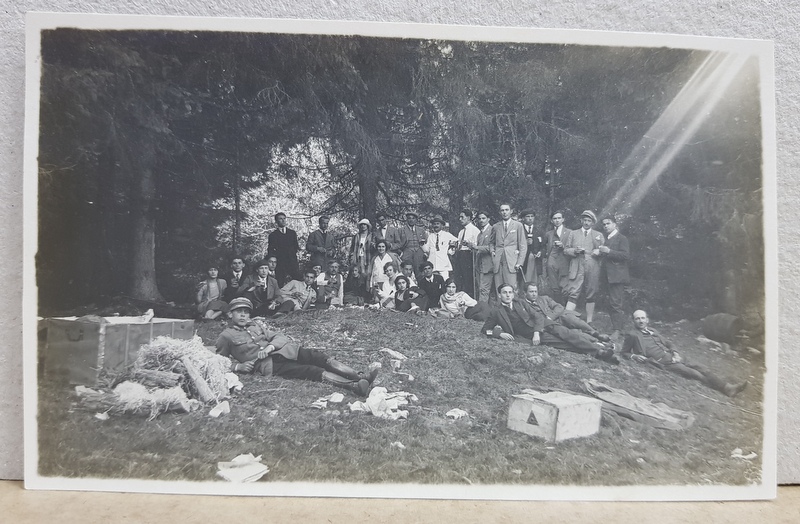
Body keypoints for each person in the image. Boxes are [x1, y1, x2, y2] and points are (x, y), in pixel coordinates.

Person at [216, 297, 380, 396]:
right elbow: (218, 361)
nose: (243, 315)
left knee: (319, 357)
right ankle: (354, 387)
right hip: (270, 364)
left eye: (246, 311)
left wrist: (270, 347)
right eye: (239, 312)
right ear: (230, 314)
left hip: (285, 350)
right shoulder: (226, 336)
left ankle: (360, 377)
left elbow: (279, 336)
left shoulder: (256, 326)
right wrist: (238, 366)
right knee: (310, 371)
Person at [481, 284, 617, 363]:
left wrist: (536, 332)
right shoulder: (496, 312)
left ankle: (598, 351)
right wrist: (499, 334)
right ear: (499, 295)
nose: (508, 295)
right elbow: (484, 330)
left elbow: (537, 316)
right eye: (504, 293)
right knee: (561, 344)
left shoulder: (520, 302)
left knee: (567, 333)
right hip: (526, 333)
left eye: (510, 292)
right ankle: (598, 353)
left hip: (542, 325)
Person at [622, 310, 748, 397]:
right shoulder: (632, 335)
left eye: (642, 318)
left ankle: (727, 387)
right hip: (664, 363)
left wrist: (675, 353)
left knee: (702, 367)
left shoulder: (653, 331)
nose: (640, 320)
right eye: (637, 318)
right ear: (633, 321)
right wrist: (634, 356)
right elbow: (624, 352)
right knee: (695, 373)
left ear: (647, 320)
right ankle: (726, 389)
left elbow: (668, 343)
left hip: (675, 357)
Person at [563, 210, 604, 324]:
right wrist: (574, 251)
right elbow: (566, 250)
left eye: (589, 221)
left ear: (592, 223)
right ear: (581, 221)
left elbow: (603, 251)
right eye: (584, 220)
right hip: (576, 265)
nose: (586, 223)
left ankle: (589, 321)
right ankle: (567, 319)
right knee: (573, 291)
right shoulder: (573, 233)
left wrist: (598, 252)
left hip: (592, 266)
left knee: (591, 291)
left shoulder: (598, 235)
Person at [598, 215, 631, 338]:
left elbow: (625, 256)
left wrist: (609, 251)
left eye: (608, 223)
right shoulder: (607, 239)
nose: (606, 226)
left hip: (617, 276)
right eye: (604, 224)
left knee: (616, 303)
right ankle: (616, 327)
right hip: (608, 276)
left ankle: (617, 330)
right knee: (611, 302)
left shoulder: (621, 238)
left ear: (615, 224)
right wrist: (600, 253)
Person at [490, 203, 527, 295]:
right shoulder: (496, 226)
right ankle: (500, 308)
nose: (504, 212)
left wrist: (519, 262)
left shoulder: (518, 225)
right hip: (498, 261)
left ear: (511, 211)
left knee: (511, 288)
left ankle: (512, 308)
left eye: (506, 210)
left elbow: (523, 245)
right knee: (499, 288)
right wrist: (492, 252)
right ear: (500, 212)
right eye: (502, 210)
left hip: (511, 261)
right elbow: (491, 242)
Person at [542, 210, 571, 303]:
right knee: (554, 286)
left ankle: (566, 310)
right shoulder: (549, 234)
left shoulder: (570, 232)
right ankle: (557, 307)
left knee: (565, 285)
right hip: (552, 260)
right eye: (554, 218)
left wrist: (563, 246)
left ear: (563, 219)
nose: (557, 220)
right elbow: (543, 246)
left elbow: (572, 247)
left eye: (559, 218)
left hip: (564, 260)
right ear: (551, 221)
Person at [267, 212, 301, 286]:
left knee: (298, 280)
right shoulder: (273, 235)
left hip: (292, 261)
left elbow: (296, 246)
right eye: (280, 219)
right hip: (280, 262)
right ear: (276, 221)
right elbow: (271, 250)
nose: (283, 220)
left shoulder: (292, 233)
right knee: (280, 282)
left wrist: (292, 255)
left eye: (284, 219)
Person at [468, 210, 494, 303]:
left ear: (488, 219)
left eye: (484, 218)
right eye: (479, 219)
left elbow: (492, 247)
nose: (481, 220)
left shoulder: (492, 230)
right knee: (481, 288)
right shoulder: (480, 234)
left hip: (488, 264)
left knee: (484, 289)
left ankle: (482, 310)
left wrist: (477, 247)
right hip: (479, 265)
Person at [453, 209, 479, 298]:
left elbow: (477, 245)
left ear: (468, 218)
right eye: (459, 217)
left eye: (462, 217)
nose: (460, 219)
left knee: (468, 279)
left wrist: (469, 245)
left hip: (468, 256)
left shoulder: (475, 230)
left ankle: (470, 297)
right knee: (460, 278)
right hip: (460, 255)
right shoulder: (461, 232)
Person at [422, 215, 458, 280]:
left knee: (445, 280)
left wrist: (450, 250)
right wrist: (422, 244)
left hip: (443, 263)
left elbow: (456, 241)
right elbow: (427, 250)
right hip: (432, 262)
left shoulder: (447, 235)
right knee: (433, 281)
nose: (436, 225)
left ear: (442, 225)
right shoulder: (430, 236)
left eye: (438, 224)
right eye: (434, 224)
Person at [349, 218, 375, 299]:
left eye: (365, 225)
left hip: (368, 259)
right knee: (358, 276)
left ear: (368, 226)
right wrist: (351, 257)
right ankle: (358, 295)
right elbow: (352, 248)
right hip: (358, 258)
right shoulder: (356, 236)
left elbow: (374, 248)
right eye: (362, 225)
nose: (363, 226)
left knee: (367, 276)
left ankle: (367, 295)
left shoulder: (372, 236)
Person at [400, 211, 428, 280]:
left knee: (419, 269)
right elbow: (398, 242)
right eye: (409, 218)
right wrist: (400, 252)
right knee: (407, 269)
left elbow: (425, 242)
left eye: (413, 218)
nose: (411, 220)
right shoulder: (401, 230)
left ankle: (420, 285)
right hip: (407, 250)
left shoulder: (421, 230)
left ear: (416, 220)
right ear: (407, 219)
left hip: (418, 250)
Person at [519, 209, 543, 291]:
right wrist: (525, 242)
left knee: (535, 281)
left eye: (532, 216)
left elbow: (543, 245)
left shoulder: (539, 230)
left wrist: (541, 252)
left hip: (536, 260)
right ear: (523, 218)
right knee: (523, 280)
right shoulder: (520, 229)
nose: (530, 218)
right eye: (527, 216)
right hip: (524, 260)